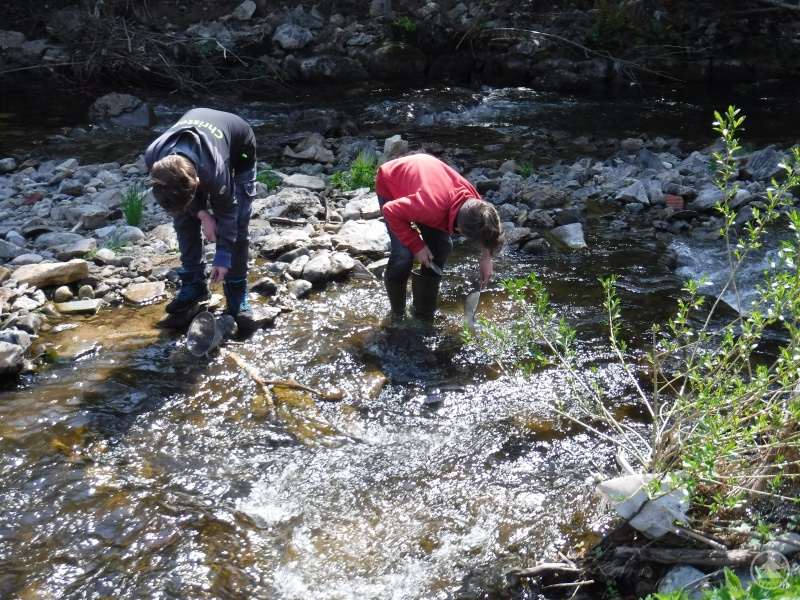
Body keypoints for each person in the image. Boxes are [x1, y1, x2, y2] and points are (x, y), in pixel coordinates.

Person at [145, 108, 257, 328]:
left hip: (239, 146)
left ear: (197, 183)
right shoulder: (154, 159)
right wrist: (203, 215)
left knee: (240, 220)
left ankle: (236, 291)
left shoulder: (215, 171)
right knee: (182, 218)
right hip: (200, 149)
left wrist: (223, 256)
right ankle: (194, 283)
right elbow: (181, 204)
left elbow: (228, 212)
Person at [375, 153, 504, 320]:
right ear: (458, 230)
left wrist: (487, 257)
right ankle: (397, 314)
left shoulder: (476, 206)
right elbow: (390, 211)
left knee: (442, 247)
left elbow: (491, 229)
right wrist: (417, 246)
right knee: (404, 255)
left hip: (425, 183)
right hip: (391, 182)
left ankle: (423, 311)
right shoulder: (428, 207)